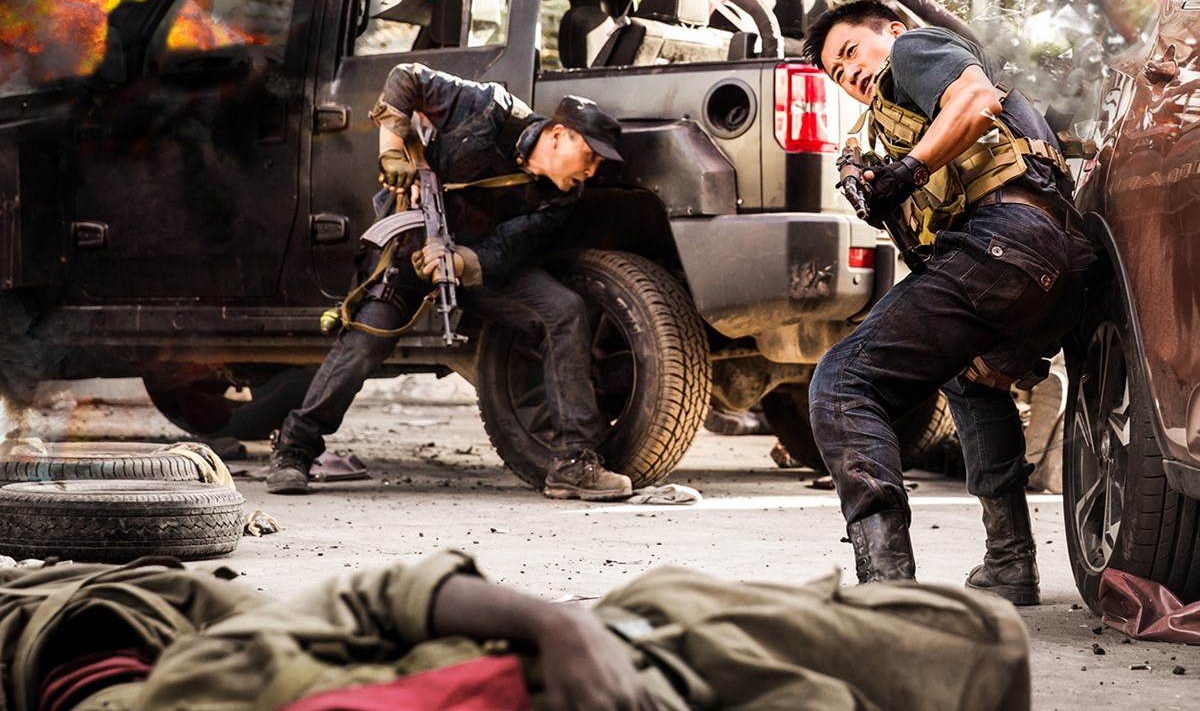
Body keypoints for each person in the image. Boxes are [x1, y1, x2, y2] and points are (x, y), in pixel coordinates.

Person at [800, 1, 1096, 603]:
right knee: (970, 377)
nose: (851, 74)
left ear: (893, 31)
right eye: (838, 73)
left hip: (1009, 243)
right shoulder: (892, 120)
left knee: (843, 383)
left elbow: (977, 101)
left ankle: (887, 589)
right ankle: (1009, 563)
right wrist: (886, 184)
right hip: (1055, 265)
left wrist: (905, 172)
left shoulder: (916, 50)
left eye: (851, 51)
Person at [2, 551, 1032, 710]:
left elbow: (378, 594)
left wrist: (558, 627)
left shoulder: (211, 684)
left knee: (977, 646)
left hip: (653, 643)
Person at [267, 64, 632, 501]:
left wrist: (457, 263)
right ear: (558, 136)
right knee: (365, 341)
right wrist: (393, 152)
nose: (591, 172)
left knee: (564, 310)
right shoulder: (490, 109)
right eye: (590, 156)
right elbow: (406, 77)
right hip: (408, 248)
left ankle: (574, 463)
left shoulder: (562, 194)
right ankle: (294, 448)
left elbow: (508, 248)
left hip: (472, 268)